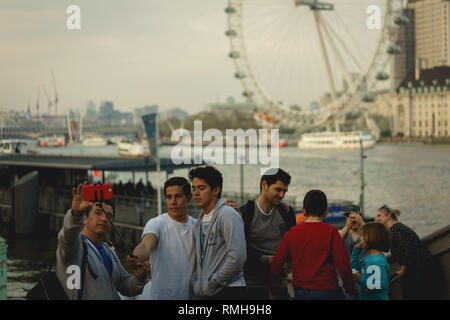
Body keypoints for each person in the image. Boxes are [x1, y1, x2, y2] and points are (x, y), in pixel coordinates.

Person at [56, 181, 147, 300]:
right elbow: (67, 236)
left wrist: (140, 277)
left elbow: (124, 285)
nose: (104, 218)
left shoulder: (108, 250)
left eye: (109, 216)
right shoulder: (74, 247)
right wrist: (75, 215)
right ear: (85, 219)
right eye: (98, 213)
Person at [269, 190, 357, 300]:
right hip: (328, 291)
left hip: (301, 292)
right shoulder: (332, 233)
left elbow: (277, 263)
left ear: (303, 211)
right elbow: (343, 265)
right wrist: (351, 290)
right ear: (326, 212)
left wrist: (273, 290)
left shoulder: (291, 234)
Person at [130, 177, 196, 300]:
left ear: (188, 198)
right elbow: (145, 245)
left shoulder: (196, 226)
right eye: (169, 197)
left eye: (178, 196)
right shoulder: (157, 223)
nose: (173, 202)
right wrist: (136, 257)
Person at [189, 166, 246, 300]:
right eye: (194, 188)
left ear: (216, 190)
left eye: (201, 188)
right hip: (210, 292)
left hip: (229, 290)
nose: (196, 193)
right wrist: (197, 283)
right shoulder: (200, 220)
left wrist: (215, 281)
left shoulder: (227, 214)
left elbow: (238, 256)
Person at [239, 168, 296, 299]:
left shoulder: (286, 212)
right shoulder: (246, 213)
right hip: (253, 287)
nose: (282, 195)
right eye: (278, 190)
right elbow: (240, 250)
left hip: (280, 286)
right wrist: (266, 259)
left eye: (285, 191)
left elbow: (293, 244)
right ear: (264, 185)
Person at [376, 204, 442, 299]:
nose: (377, 219)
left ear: (388, 216)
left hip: (421, 272)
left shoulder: (396, 230)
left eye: (379, 216)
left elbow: (408, 250)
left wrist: (403, 268)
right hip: (422, 269)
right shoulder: (396, 228)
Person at [351, 222, 390, 300]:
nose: (361, 238)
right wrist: (355, 253)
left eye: (363, 235)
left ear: (372, 237)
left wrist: (360, 279)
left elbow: (380, 284)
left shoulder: (378, 261)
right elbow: (355, 271)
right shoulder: (368, 256)